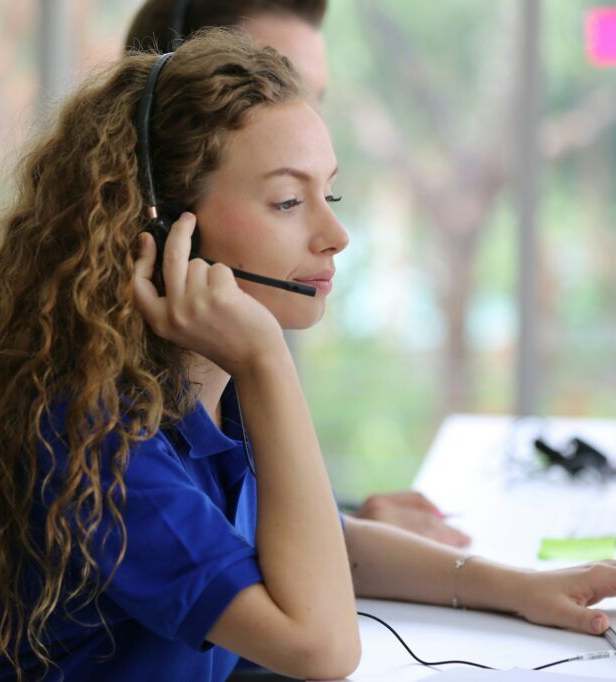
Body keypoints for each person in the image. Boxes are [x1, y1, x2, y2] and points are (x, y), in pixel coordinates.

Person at [0, 30, 616, 682]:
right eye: (286, 201)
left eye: (327, 193)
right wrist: (266, 358)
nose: (334, 235)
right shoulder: (95, 443)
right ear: (163, 231)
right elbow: (318, 645)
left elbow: (304, 542)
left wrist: (518, 586)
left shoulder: (192, 393)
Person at [125, 0, 474, 549]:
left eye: (314, 97)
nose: (297, 118)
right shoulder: (114, 444)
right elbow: (315, 634)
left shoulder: (226, 384)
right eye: (259, 81)